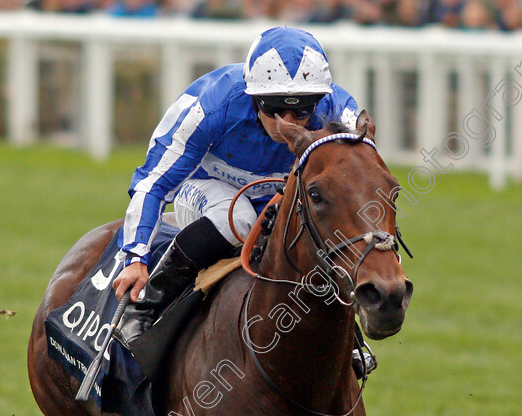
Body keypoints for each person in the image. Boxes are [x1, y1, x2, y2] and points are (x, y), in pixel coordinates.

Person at [111, 27, 363, 351]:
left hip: (279, 199)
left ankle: (345, 330)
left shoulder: (339, 112)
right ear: (253, 96)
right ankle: (146, 306)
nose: (287, 123)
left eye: (301, 110)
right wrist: (135, 257)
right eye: (273, 109)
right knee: (240, 216)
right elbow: (153, 183)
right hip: (206, 189)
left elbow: (361, 185)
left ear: (317, 101)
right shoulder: (213, 105)